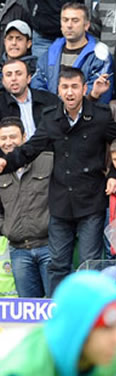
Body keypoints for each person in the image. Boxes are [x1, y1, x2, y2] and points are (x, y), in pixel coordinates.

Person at [0, 66, 116, 295]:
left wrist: (115, 175)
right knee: (57, 265)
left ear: (84, 88)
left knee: (89, 264)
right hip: (60, 202)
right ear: (58, 90)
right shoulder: (50, 118)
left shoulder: (100, 115)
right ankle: (57, 314)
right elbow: (29, 150)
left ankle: (88, 315)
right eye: (65, 87)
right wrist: (6, 162)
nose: (70, 92)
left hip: (91, 201)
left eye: (74, 87)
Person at [0, 117, 52, 297]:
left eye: (12, 137)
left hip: (50, 246)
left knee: (56, 307)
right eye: (3, 138)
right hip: (18, 250)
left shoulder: (48, 161)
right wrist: (6, 227)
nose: (8, 142)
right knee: (27, 312)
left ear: (24, 137)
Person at [31, 2, 114, 103]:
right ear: (61, 24)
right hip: (50, 116)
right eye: (65, 20)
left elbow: (101, 96)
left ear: (86, 25)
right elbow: (37, 88)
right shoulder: (49, 54)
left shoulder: (100, 56)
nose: (69, 25)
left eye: (75, 21)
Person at [0, 59, 57, 139]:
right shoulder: (1, 103)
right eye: (8, 75)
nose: (13, 78)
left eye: (18, 74)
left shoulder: (49, 100)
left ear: (28, 78)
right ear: (3, 81)